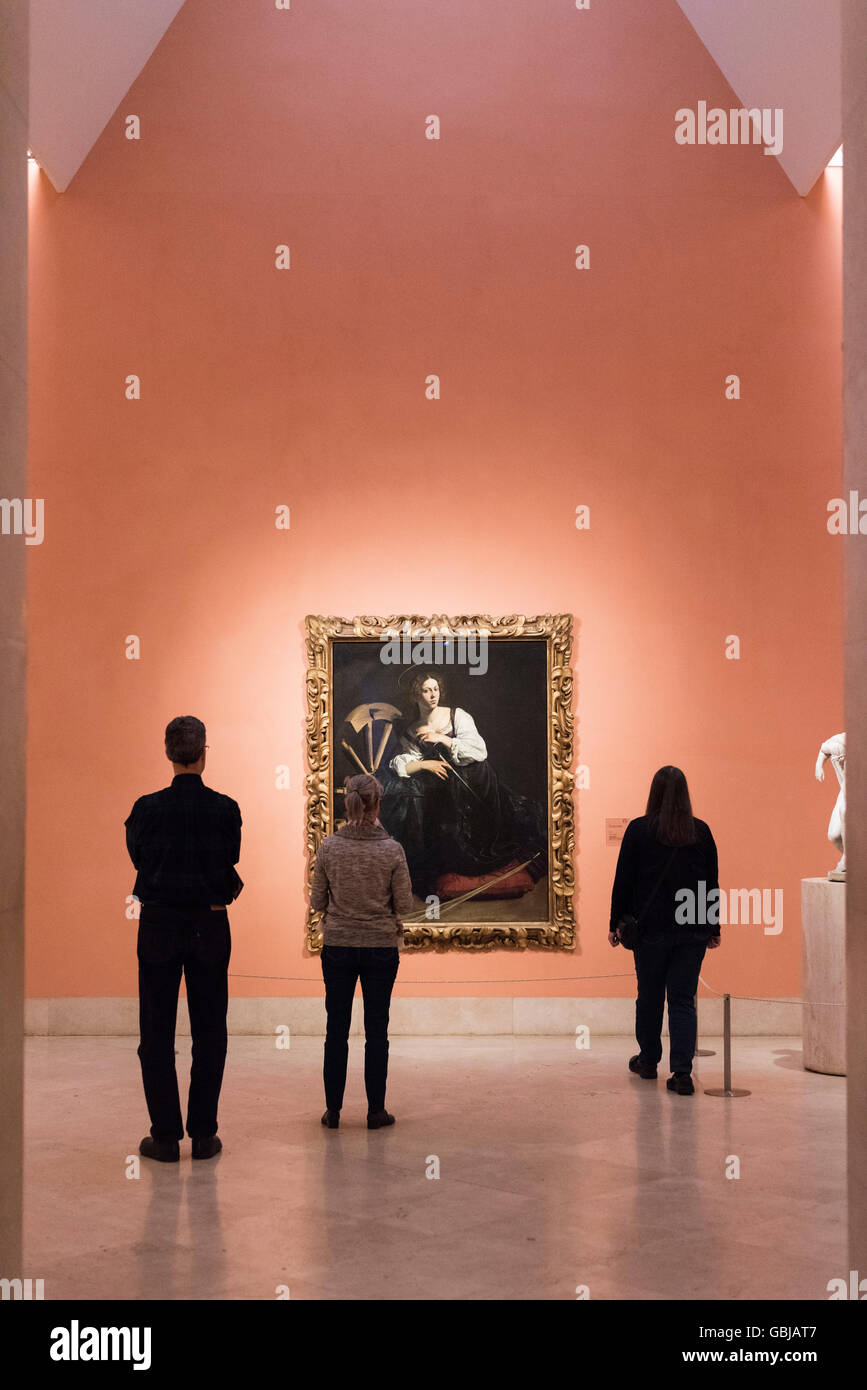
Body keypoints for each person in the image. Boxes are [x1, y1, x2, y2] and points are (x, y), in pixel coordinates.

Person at [125, 716, 242, 1161]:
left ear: (168, 752)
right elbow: (229, 855)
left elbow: (137, 854)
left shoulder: (146, 808)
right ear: (204, 751)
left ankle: (165, 1136)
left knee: (155, 1032)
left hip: (158, 923)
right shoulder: (226, 808)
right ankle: (204, 1133)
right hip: (209, 923)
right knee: (210, 1029)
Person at [377, 670, 547, 898]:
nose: (432, 695)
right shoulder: (411, 731)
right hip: (447, 793)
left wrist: (443, 738)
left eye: (435, 689)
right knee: (428, 807)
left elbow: (479, 751)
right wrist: (425, 765)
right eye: (426, 691)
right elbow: (403, 764)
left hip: (477, 784)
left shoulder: (457, 716)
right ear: (416, 696)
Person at [608, 766, 720, 1095]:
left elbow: (624, 881)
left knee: (650, 996)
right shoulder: (701, 832)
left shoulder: (639, 831)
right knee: (683, 1001)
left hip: (650, 931)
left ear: (653, 793)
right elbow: (710, 885)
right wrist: (714, 927)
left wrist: (615, 922)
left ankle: (648, 1060)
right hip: (691, 932)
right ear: (685, 795)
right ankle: (682, 1074)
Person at [311, 773, 412, 1129]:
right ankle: (375, 1111)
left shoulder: (329, 847)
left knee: (335, 1029)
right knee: (377, 1031)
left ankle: (333, 1111)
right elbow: (404, 904)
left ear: (348, 803)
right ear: (378, 804)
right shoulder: (392, 850)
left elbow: (316, 901)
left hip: (338, 945)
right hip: (381, 948)